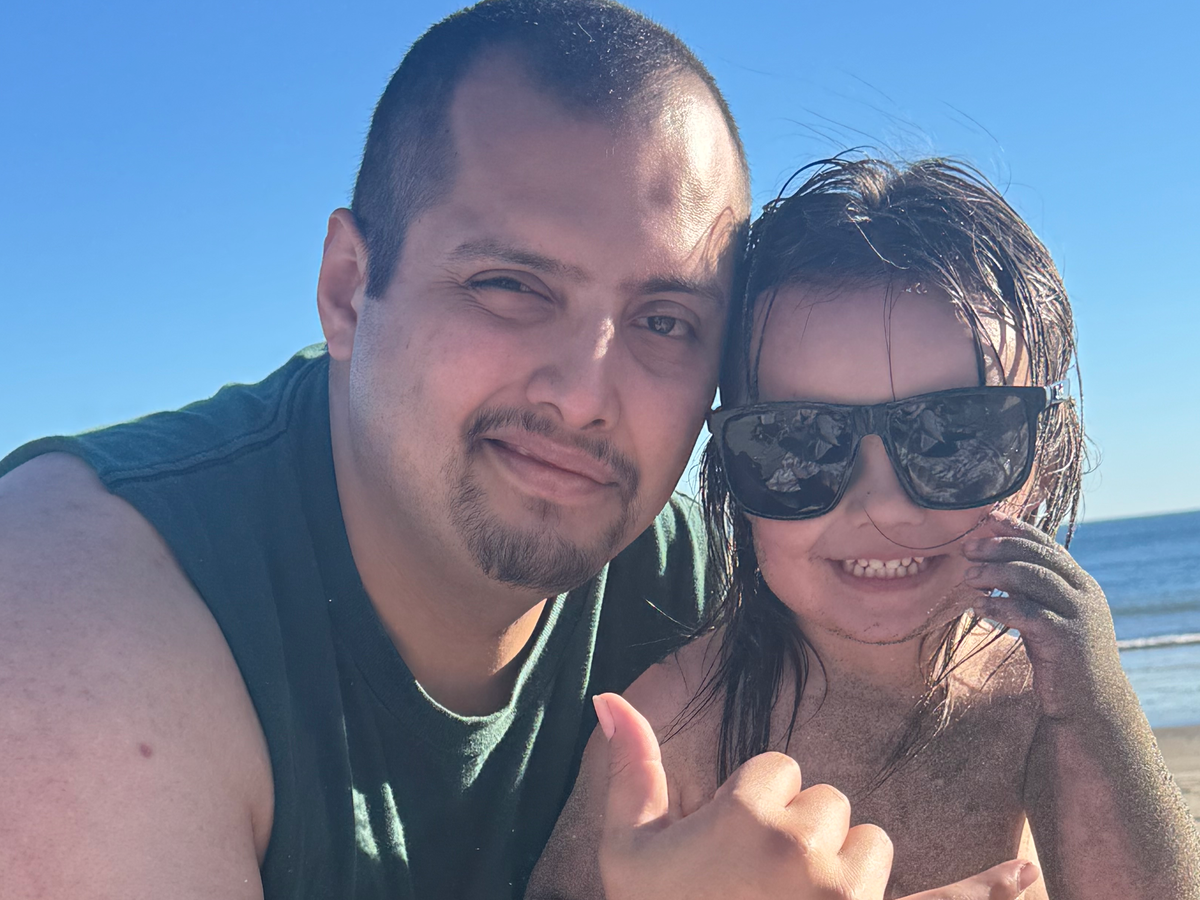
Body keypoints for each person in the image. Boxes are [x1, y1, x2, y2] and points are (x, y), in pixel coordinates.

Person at [0, 2, 1041, 897]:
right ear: (348, 290)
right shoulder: (75, 619)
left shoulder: (697, 589)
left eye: (665, 321)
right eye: (508, 286)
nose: (585, 398)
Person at [528, 158, 1200, 899]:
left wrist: (1096, 701)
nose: (882, 506)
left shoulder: (1043, 695)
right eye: (796, 444)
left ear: (1045, 455)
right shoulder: (669, 727)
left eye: (954, 437)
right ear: (728, 467)